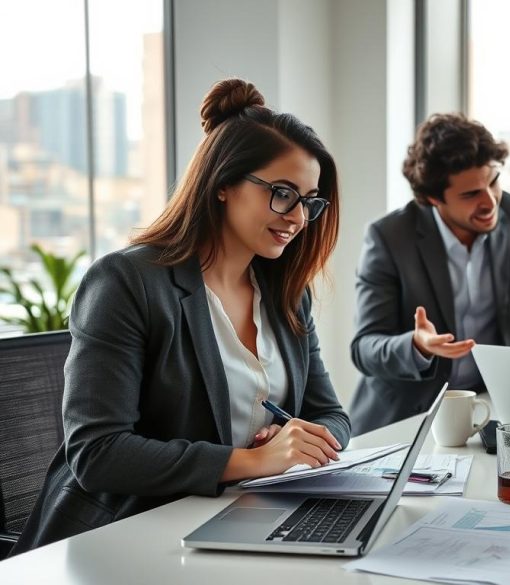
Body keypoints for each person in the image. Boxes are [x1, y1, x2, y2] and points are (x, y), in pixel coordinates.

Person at [11, 79, 351, 554]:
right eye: (281, 192)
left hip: (238, 519)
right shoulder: (127, 282)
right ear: (223, 185)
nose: (296, 216)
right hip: (130, 535)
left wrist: (295, 439)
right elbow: (98, 453)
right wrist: (251, 461)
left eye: (310, 200)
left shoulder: (287, 296)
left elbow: (331, 415)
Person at [349, 113, 510, 434]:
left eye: (493, 182)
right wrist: (417, 346)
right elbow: (365, 348)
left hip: (489, 409)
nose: (490, 202)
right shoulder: (389, 237)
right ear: (433, 199)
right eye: (470, 195)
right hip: (407, 419)